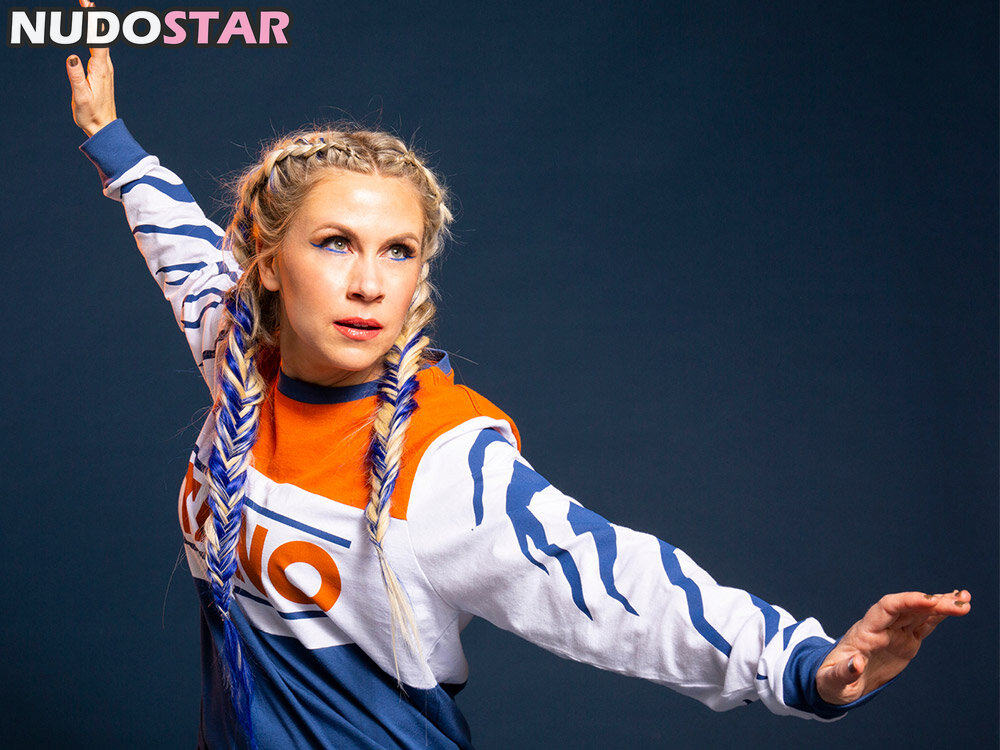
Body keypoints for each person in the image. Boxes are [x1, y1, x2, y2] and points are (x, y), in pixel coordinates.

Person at [66, 40, 971, 750]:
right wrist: (111, 140)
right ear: (268, 262)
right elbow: (183, 248)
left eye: (397, 251)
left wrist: (807, 666)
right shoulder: (240, 362)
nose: (369, 283)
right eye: (335, 243)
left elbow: (616, 582)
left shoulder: (440, 461)